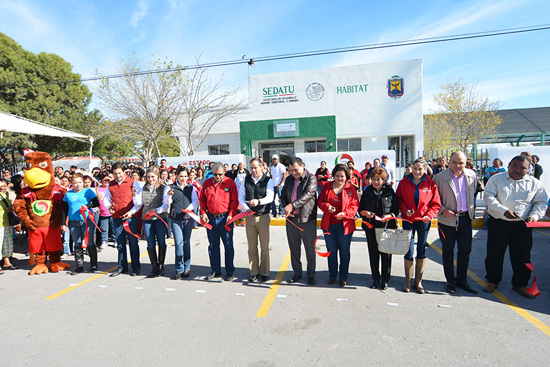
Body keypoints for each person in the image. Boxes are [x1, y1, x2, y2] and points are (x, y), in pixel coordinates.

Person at [483, 155, 548, 299]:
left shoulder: (534, 183)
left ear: (528, 169)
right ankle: (492, 281)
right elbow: (489, 197)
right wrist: (503, 210)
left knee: (522, 256)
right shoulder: (496, 179)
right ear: (508, 166)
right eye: (514, 166)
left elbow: (541, 202)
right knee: (494, 254)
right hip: (499, 223)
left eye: (522, 168)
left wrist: (535, 216)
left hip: (523, 225)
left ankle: (520, 284)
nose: (517, 170)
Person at [433, 152, 478, 294]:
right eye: (454, 162)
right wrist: (443, 210)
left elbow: (473, 195)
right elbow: (434, 199)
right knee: (448, 251)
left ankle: (462, 280)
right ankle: (450, 281)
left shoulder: (471, 175)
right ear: (448, 162)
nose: (458, 166)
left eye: (461, 163)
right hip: (447, 220)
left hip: (465, 218)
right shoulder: (439, 178)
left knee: (465, 250)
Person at [396, 158, 441, 293]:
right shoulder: (403, 183)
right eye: (415, 168)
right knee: (409, 250)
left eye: (420, 169)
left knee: (421, 249)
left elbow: (435, 204)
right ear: (411, 168)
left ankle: (418, 281)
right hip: (408, 221)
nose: (417, 171)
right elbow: (399, 200)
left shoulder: (430, 184)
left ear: (425, 169)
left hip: (423, 222)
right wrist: (405, 211)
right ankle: (408, 281)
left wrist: (429, 216)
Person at [318, 164, 359, 287]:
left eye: (342, 176)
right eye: (337, 176)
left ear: (347, 177)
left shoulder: (351, 189)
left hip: (344, 225)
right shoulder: (327, 186)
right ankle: (332, 275)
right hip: (329, 224)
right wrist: (327, 207)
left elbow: (355, 206)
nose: (339, 179)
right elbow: (320, 201)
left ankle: (343, 277)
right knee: (331, 251)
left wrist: (345, 214)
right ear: (333, 176)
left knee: (344, 252)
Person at [359, 167, 399, 290]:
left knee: (386, 253)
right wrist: (365, 213)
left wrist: (390, 216)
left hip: (386, 226)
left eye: (379, 179)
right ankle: (375, 278)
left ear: (383, 180)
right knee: (373, 253)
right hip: (371, 227)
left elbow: (396, 209)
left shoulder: (389, 191)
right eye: (374, 179)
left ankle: (385, 279)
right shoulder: (367, 191)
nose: (376, 182)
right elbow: (360, 209)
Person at [281, 157, 318, 285]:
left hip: (307, 218)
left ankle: (311, 274)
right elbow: (283, 195)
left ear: (303, 166)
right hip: (292, 219)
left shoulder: (311, 178)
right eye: (291, 170)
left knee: (309, 249)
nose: (293, 173)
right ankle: (297, 272)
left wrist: (292, 205)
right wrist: (287, 207)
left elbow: (308, 195)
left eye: (296, 170)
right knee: (294, 248)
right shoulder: (289, 179)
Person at [199, 161, 239, 281]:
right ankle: (215, 270)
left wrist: (231, 214)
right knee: (213, 246)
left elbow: (234, 201)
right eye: (216, 174)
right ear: (212, 173)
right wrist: (203, 212)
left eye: (220, 174)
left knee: (228, 245)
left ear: (224, 173)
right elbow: (202, 200)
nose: (218, 177)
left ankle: (230, 271)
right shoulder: (207, 183)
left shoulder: (230, 183)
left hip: (225, 219)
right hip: (211, 219)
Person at [104, 163, 143, 277]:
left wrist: (131, 212)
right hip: (116, 217)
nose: (118, 176)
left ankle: (136, 268)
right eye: (115, 174)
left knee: (133, 243)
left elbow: (139, 202)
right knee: (120, 244)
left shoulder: (133, 183)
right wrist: (109, 207)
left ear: (124, 172)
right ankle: (122, 267)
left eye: (120, 173)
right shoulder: (110, 184)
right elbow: (107, 199)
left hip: (131, 217)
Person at [238, 158, 274, 283]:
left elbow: (270, 196)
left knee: (264, 247)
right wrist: (246, 208)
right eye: (251, 168)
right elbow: (241, 196)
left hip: (263, 216)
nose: (253, 170)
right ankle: (253, 272)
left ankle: (265, 272)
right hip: (249, 216)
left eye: (255, 168)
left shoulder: (267, 180)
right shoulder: (246, 179)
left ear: (262, 167)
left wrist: (258, 202)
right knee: (252, 247)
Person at [62, 173, 100, 274]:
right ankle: (79, 265)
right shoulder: (68, 194)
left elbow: (96, 203)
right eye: (75, 183)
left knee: (89, 242)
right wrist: (63, 223)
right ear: (71, 183)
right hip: (73, 221)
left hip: (86, 220)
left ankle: (94, 264)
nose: (77, 185)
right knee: (77, 242)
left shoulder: (87, 191)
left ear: (83, 183)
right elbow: (64, 209)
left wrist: (88, 205)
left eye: (79, 182)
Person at [141, 166, 171, 278]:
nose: (150, 179)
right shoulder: (143, 188)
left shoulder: (163, 188)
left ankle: (161, 265)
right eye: (148, 177)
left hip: (160, 218)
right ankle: (154, 266)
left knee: (161, 241)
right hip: (147, 219)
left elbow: (166, 204)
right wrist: (134, 195)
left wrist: (157, 210)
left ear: (157, 176)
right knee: (150, 242)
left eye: (153, 176)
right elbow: (138, 202)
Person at [169, 167, 198, 279]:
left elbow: (195, 201)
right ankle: (178, 269)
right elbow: (167, 202)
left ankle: (187, 267)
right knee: (178, 243)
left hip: (188, 219)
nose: (183, 178)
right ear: (176, 176)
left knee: (186, 242)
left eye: (185, 176)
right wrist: (169, 195)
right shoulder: (171, 188)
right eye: (181, 176)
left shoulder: (191, 187)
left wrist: (188, 208)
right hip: (176, 219)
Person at [0, 179, 17, 272]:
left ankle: (7, 262)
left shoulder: (5, 195)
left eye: (4, 186)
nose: (2, 188)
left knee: (6, 244)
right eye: (0, 186)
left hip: (6, 223)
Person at [96, 173, 113, 248]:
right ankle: (104, 241)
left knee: (113, 227)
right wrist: (96, 189)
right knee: (104, 228)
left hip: (112, 211)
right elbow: (98, 199)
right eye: (104, 180)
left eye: (108, 180)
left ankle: (115, 240)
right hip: (102, 212)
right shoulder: (98, 188)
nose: (106, 182)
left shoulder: (111, 188)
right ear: (101, 181)